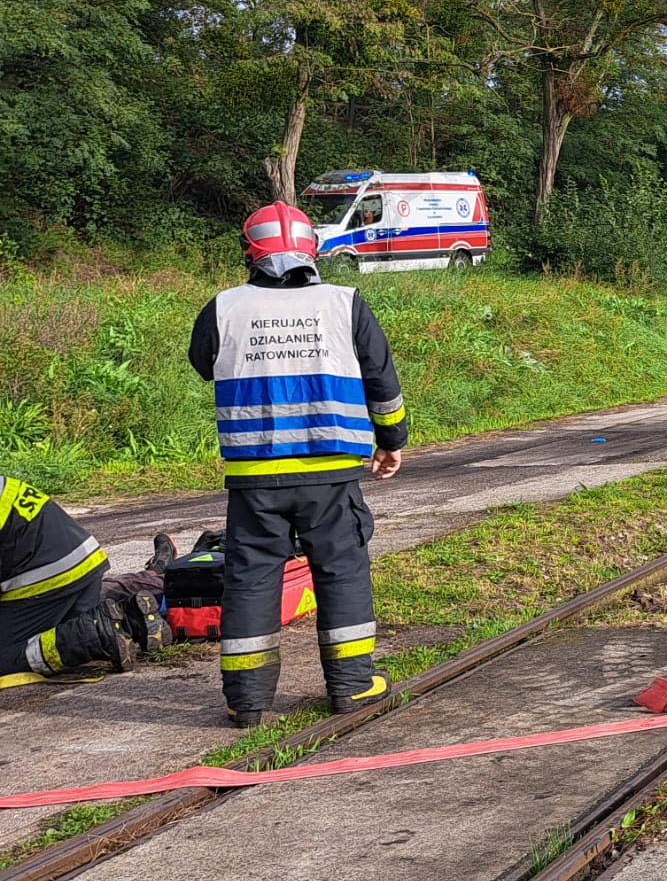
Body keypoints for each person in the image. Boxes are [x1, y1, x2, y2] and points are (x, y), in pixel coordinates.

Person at [189, 202, 409, 728]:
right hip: (330, 473)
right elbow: (382, 383)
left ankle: (247, 701)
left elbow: (203, 364)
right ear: (313, 251)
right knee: (341, 571)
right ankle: (352, 686)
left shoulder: (223, 308)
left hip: (254, 477)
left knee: (250, 578)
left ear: (251, 254)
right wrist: (391, 440)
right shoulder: (344, 304)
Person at [1, 476, 156, 684]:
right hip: (81, 563)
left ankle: (92, 636)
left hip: (48, 577)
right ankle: (129, 619)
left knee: (7, 656)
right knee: (66, 626)